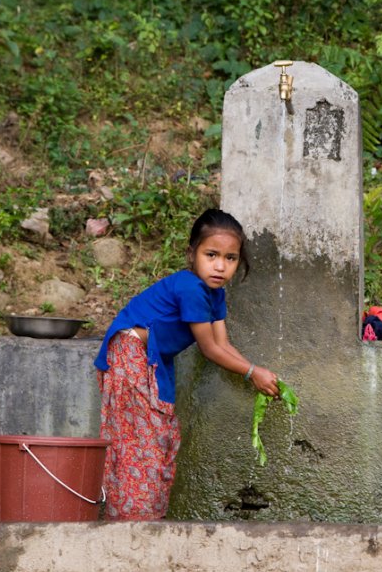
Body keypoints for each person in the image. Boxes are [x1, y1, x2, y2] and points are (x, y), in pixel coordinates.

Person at [94, 208, 279, 520]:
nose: (220, 266)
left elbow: (223, 344)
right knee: (141, 442)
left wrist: (256, 372)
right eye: (211, 255)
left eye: (230, 258)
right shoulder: (190, 287)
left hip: (152, 359)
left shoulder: (213, 293)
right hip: (131, 355)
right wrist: (251, 373)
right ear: (192, 254)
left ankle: (143, 518)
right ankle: (131, 521)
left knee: (157, 438)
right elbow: (209, 348)